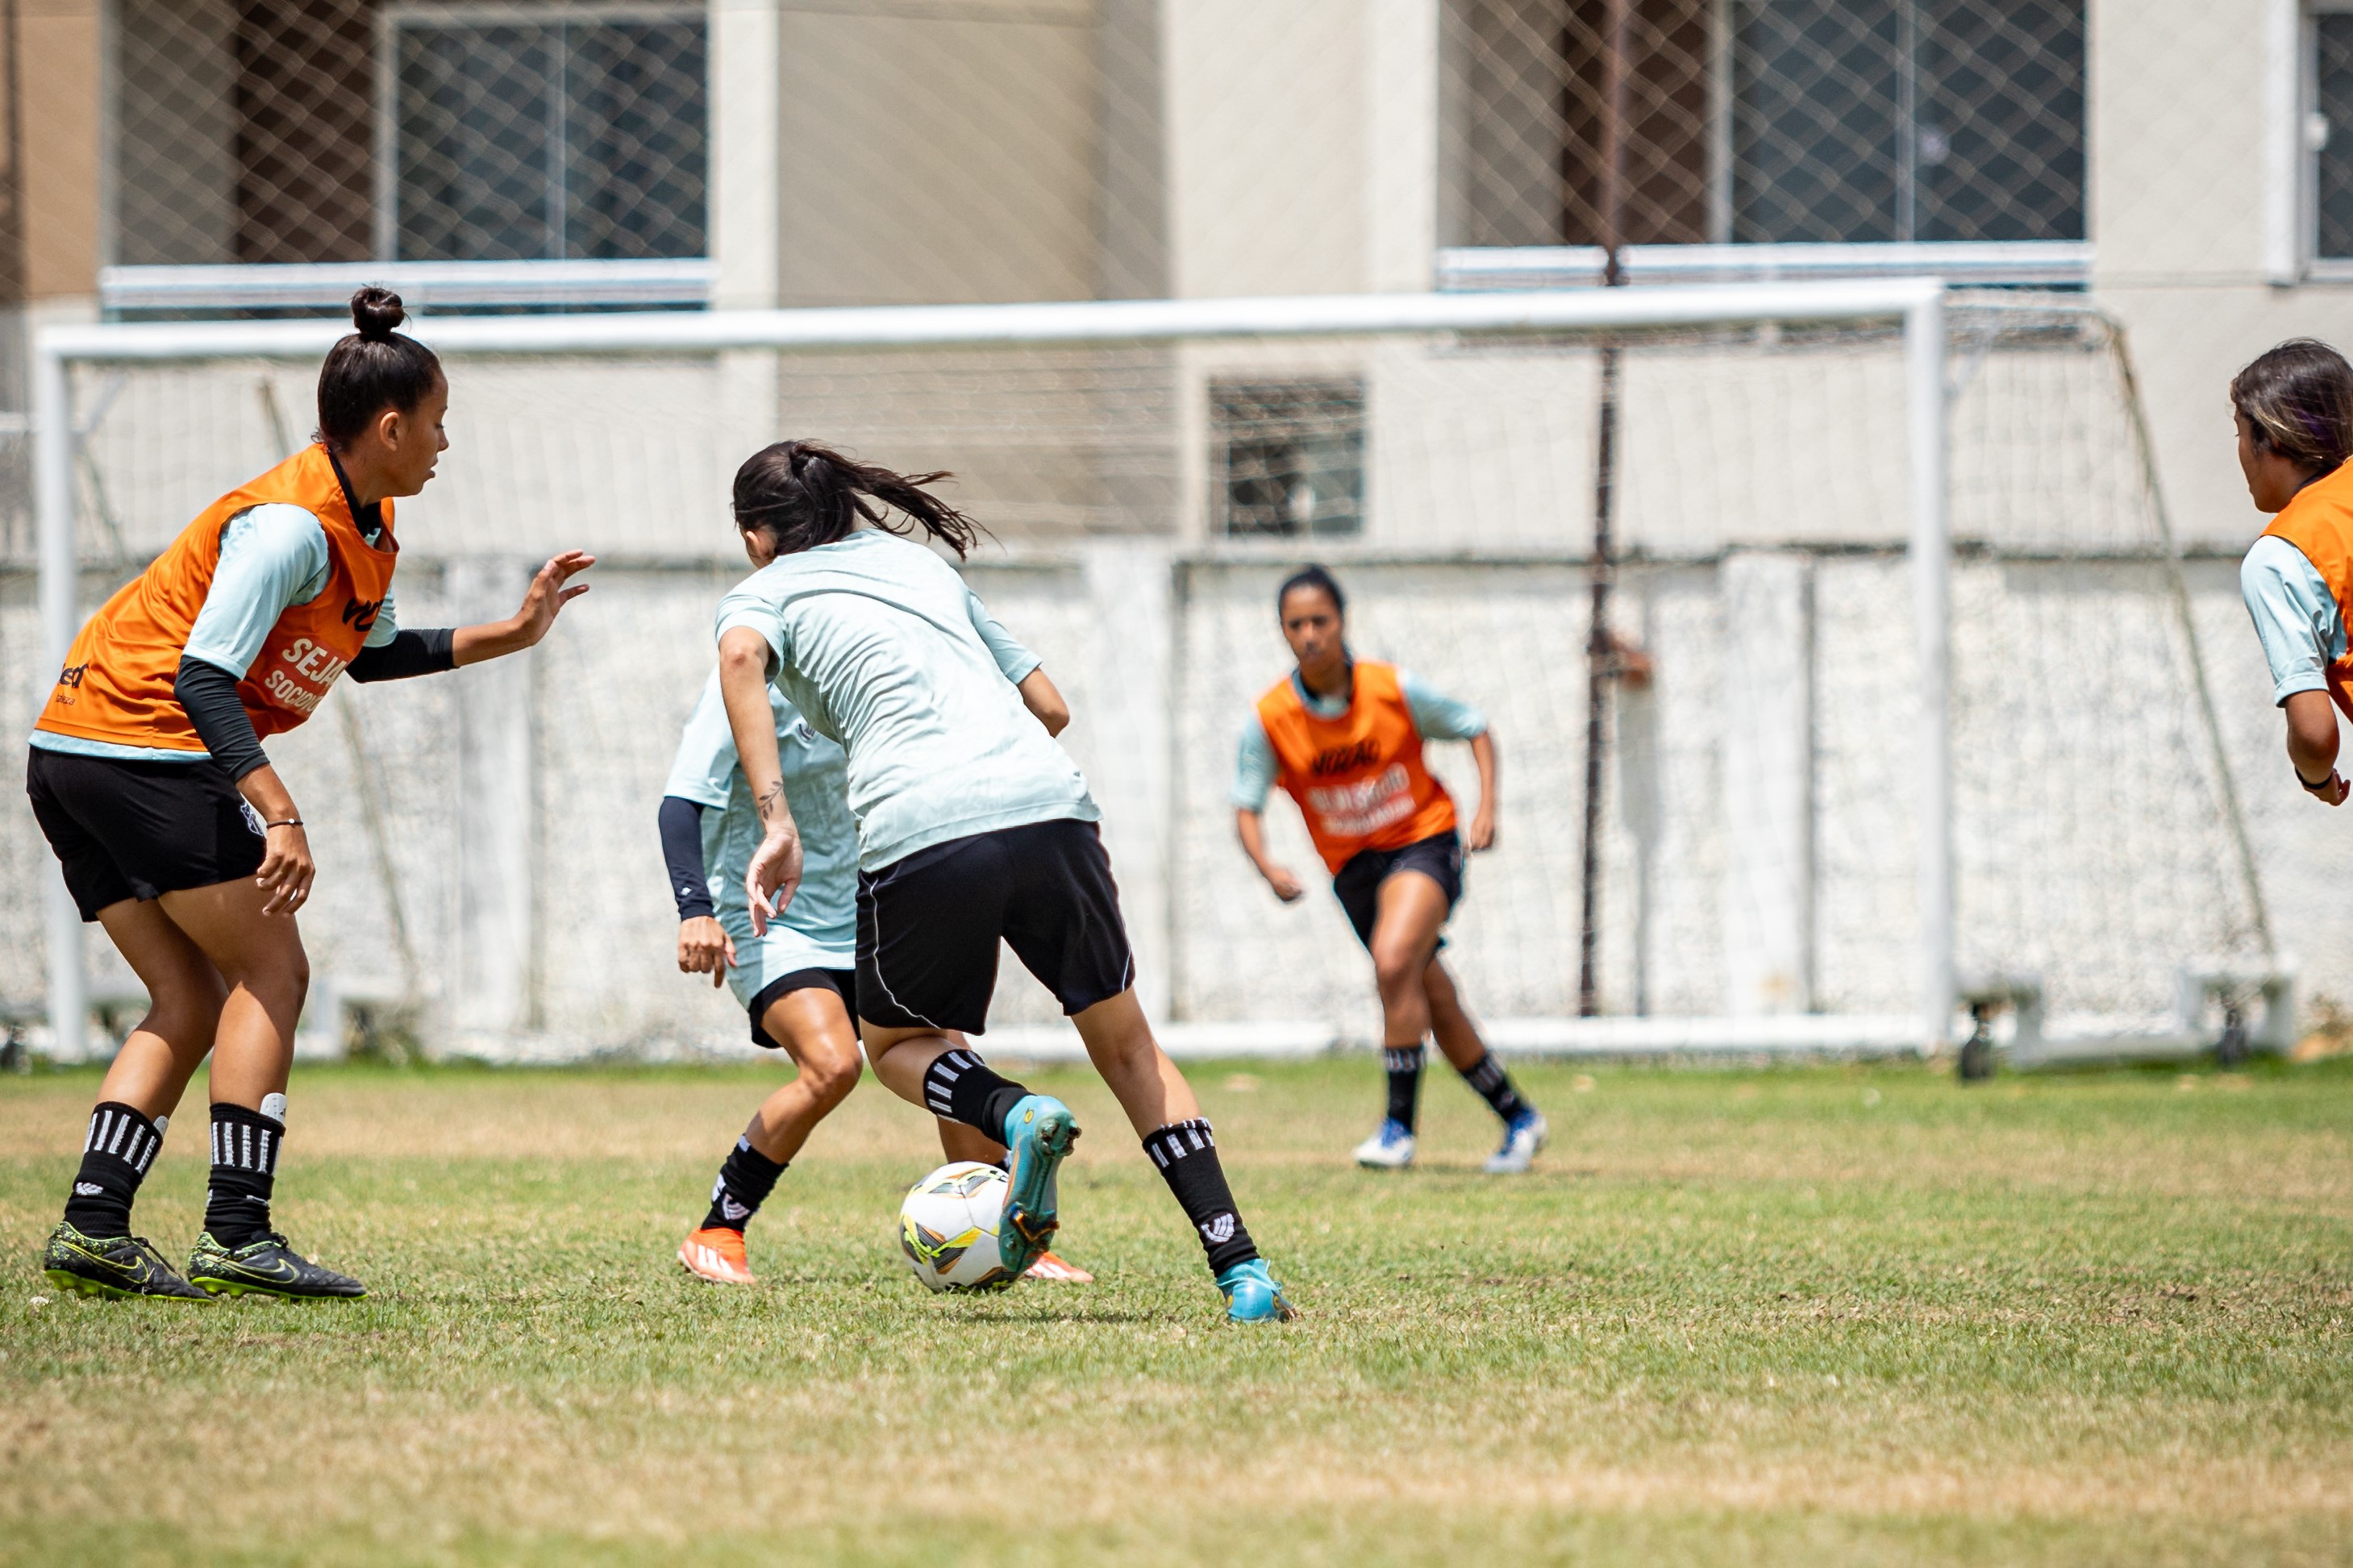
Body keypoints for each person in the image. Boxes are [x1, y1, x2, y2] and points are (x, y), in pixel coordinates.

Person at [29, 288, 594, 1300]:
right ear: (389, 426)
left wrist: (511, 633)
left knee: (190, 994)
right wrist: (278, 811)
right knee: (272, 973)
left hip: (73, 755)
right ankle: (239, 1232)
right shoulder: (291, 526)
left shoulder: (360, 530)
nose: (443, 442)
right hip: (140, 748)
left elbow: (370, 661)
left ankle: (95, 1224)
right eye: (435, 421)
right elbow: (202, 676)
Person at [710, 439, 1293, 1322]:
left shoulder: (761, 592)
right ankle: (1241, 1270)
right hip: (1050, 805)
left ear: (757, 536)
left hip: (921, 824)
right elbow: (1051, 706)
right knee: (1130, 1046)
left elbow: (740, 662)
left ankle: (1012, 1115)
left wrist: (776, 822)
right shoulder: (919, 567)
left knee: (898, 1046)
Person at [660, 668, 1090, 1286]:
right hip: (771, 919)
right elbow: (681, 803)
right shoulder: (743, 676)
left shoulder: (872, 665)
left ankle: (1012, 1235)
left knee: (949, 1049)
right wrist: (695, 909)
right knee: (833, 1065)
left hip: (872, 909)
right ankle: (718, 1228)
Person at [1231, 565, 1546, 1173]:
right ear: (1283, 632)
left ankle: (1398, 1129)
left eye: (1320, 620)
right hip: (1352, 868)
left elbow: (1474, 726)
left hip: (1422, 842)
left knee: (1394, 959)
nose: (1310, 634)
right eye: (1296, 624)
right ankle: (1519, 1117)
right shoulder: (1270, 717)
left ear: (1341, 621)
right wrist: (1268, 866)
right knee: (1430, 994)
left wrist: (1487, 811)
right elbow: (1245, 805)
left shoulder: (1392, 689)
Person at [2234, 338, 2353, 808]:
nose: (2240, 453)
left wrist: (2316, 778)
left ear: (2274, 439)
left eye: (2240, 434)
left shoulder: (2280, 557)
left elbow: (2315, 733)